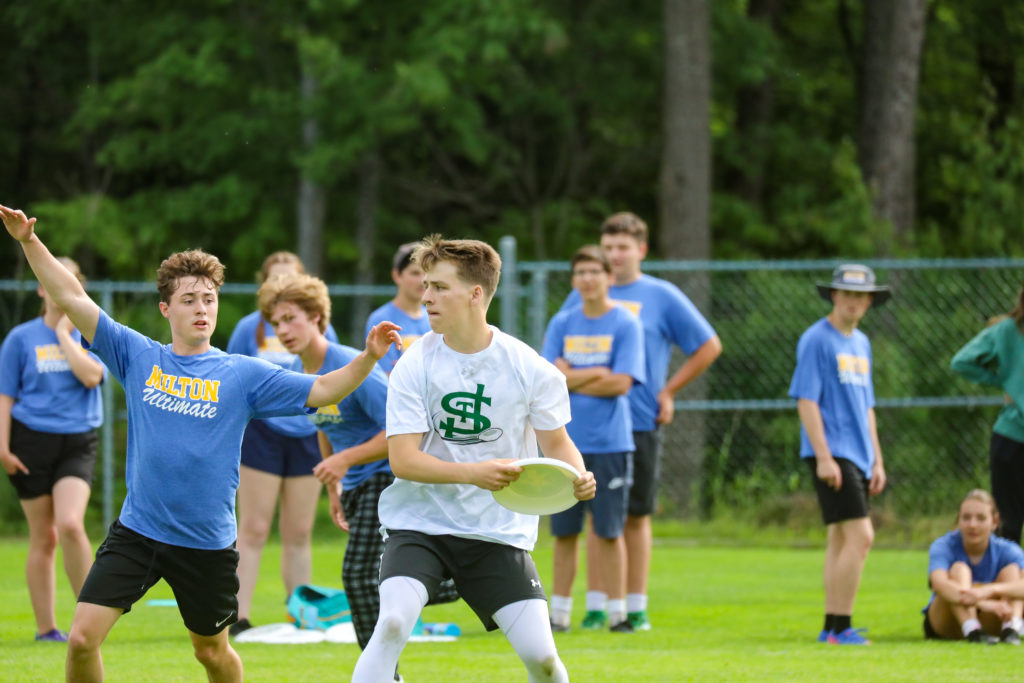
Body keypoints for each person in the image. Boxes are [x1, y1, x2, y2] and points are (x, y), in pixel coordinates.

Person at [1, 203, 399, 683]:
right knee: (83, 639)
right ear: (166, 309)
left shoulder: (242, 374)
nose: (202, 308)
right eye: (189, 300)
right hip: (138, 532)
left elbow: (324, 389)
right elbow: (71, 295)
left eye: (209, 299)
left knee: (212, 653)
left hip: (205, 544)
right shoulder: (137, 355)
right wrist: (29, 241)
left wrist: (368, 358)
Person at [351, 235, 596, 683]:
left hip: (496, 532)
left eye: (439, 287)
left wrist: (578, 476)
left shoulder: (530, 367)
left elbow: (558, 443)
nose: (425, 296)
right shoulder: (413, 364)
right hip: (419, 526)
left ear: (475, 294)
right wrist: (474, 474)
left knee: (543, 659)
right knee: (392, 624)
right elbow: (403, 461)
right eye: (426, 285)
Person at [560, 211, 721, 631]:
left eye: (623, 248)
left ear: (641, 250)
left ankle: (635, 606)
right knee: (595, 516)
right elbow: (558, 361)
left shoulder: (661, 295)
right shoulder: (582, 294)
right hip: (589, 425)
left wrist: (668, 391)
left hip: (639, 420)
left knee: (633, 515)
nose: (614, 255)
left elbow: (708, 345)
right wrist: (590, 378)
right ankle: (597, 606)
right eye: (608, 247)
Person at [226, 251, 340, 636]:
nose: (281, 285)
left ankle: (300, 615)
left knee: (298, 532)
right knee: (254, 528)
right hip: (262, 434)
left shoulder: (321, 328)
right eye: (274, 279)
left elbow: (332, 380)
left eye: (289, 278)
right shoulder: (249, 328)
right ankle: (236, 618)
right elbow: (233, 379)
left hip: (308, 435)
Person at [0, 256, 105, 642]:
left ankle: (89, 622)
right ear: (42, 288)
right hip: (30, 441)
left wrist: (64, 334)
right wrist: (3, 448)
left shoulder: (91, 332)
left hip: (77, 440)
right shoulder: (20, 339)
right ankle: (46, 629)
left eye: (70, 280)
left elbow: (92, 377)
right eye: (52, 279)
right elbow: (5, 396)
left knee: (71, 525)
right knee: (43, 536)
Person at [542, 245, 644, 633]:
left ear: (609, 277)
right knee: (565, 532)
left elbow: (621, 383)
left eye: (594, 272)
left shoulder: (625, 323)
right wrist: (596, 372)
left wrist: (571, 376)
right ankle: (559, 614)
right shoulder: (562, 322)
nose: (587, 279)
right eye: (580, 272)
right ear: (573, 279)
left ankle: (618, 614)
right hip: (566, 443)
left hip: (611, 443)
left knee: (609, 530)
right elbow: (550, 380)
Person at [788, 263, 890, 645]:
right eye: (847, 294)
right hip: (834, 451)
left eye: (861, 296)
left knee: (840, 538)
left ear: (870, 301)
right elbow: (807, 400)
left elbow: (867, 407)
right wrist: (824, 456)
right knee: (862, 536)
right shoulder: (817, 339)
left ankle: (830, 628)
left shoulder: (861, 343)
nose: (854, 302)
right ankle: (843, 626)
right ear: (834, 295)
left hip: (859, 453)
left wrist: (877, 459)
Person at [950, 289, 1024, 545]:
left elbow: (962, 362)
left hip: (1009, 440)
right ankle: (1009, 573)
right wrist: (1005, 381)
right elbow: (961, 362)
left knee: (1008, 523)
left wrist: (1006, 381)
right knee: (1007, 524)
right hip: (1012, 437)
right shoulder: (1008, 330)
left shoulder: (1006, 329)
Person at [923, 489, 1024, 644]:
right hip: (946, 620)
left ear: (994, 521)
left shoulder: (1008, 549)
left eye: (981, 518)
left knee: (1012, 571)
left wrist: (990, 590)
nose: (972, 525)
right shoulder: (943, 545)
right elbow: (939, 583)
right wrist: (982, 603)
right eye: (966, 518)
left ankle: (1011, 629)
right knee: (959, 569)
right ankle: (971, 628)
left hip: (992, 618)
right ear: (958, 520)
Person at [366, 242, 430, 375]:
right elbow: (385, 376)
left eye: (426, 273)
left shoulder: (435, 318)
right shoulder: (381, 319)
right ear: (397, 275)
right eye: (415, 273)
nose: (422, 280)